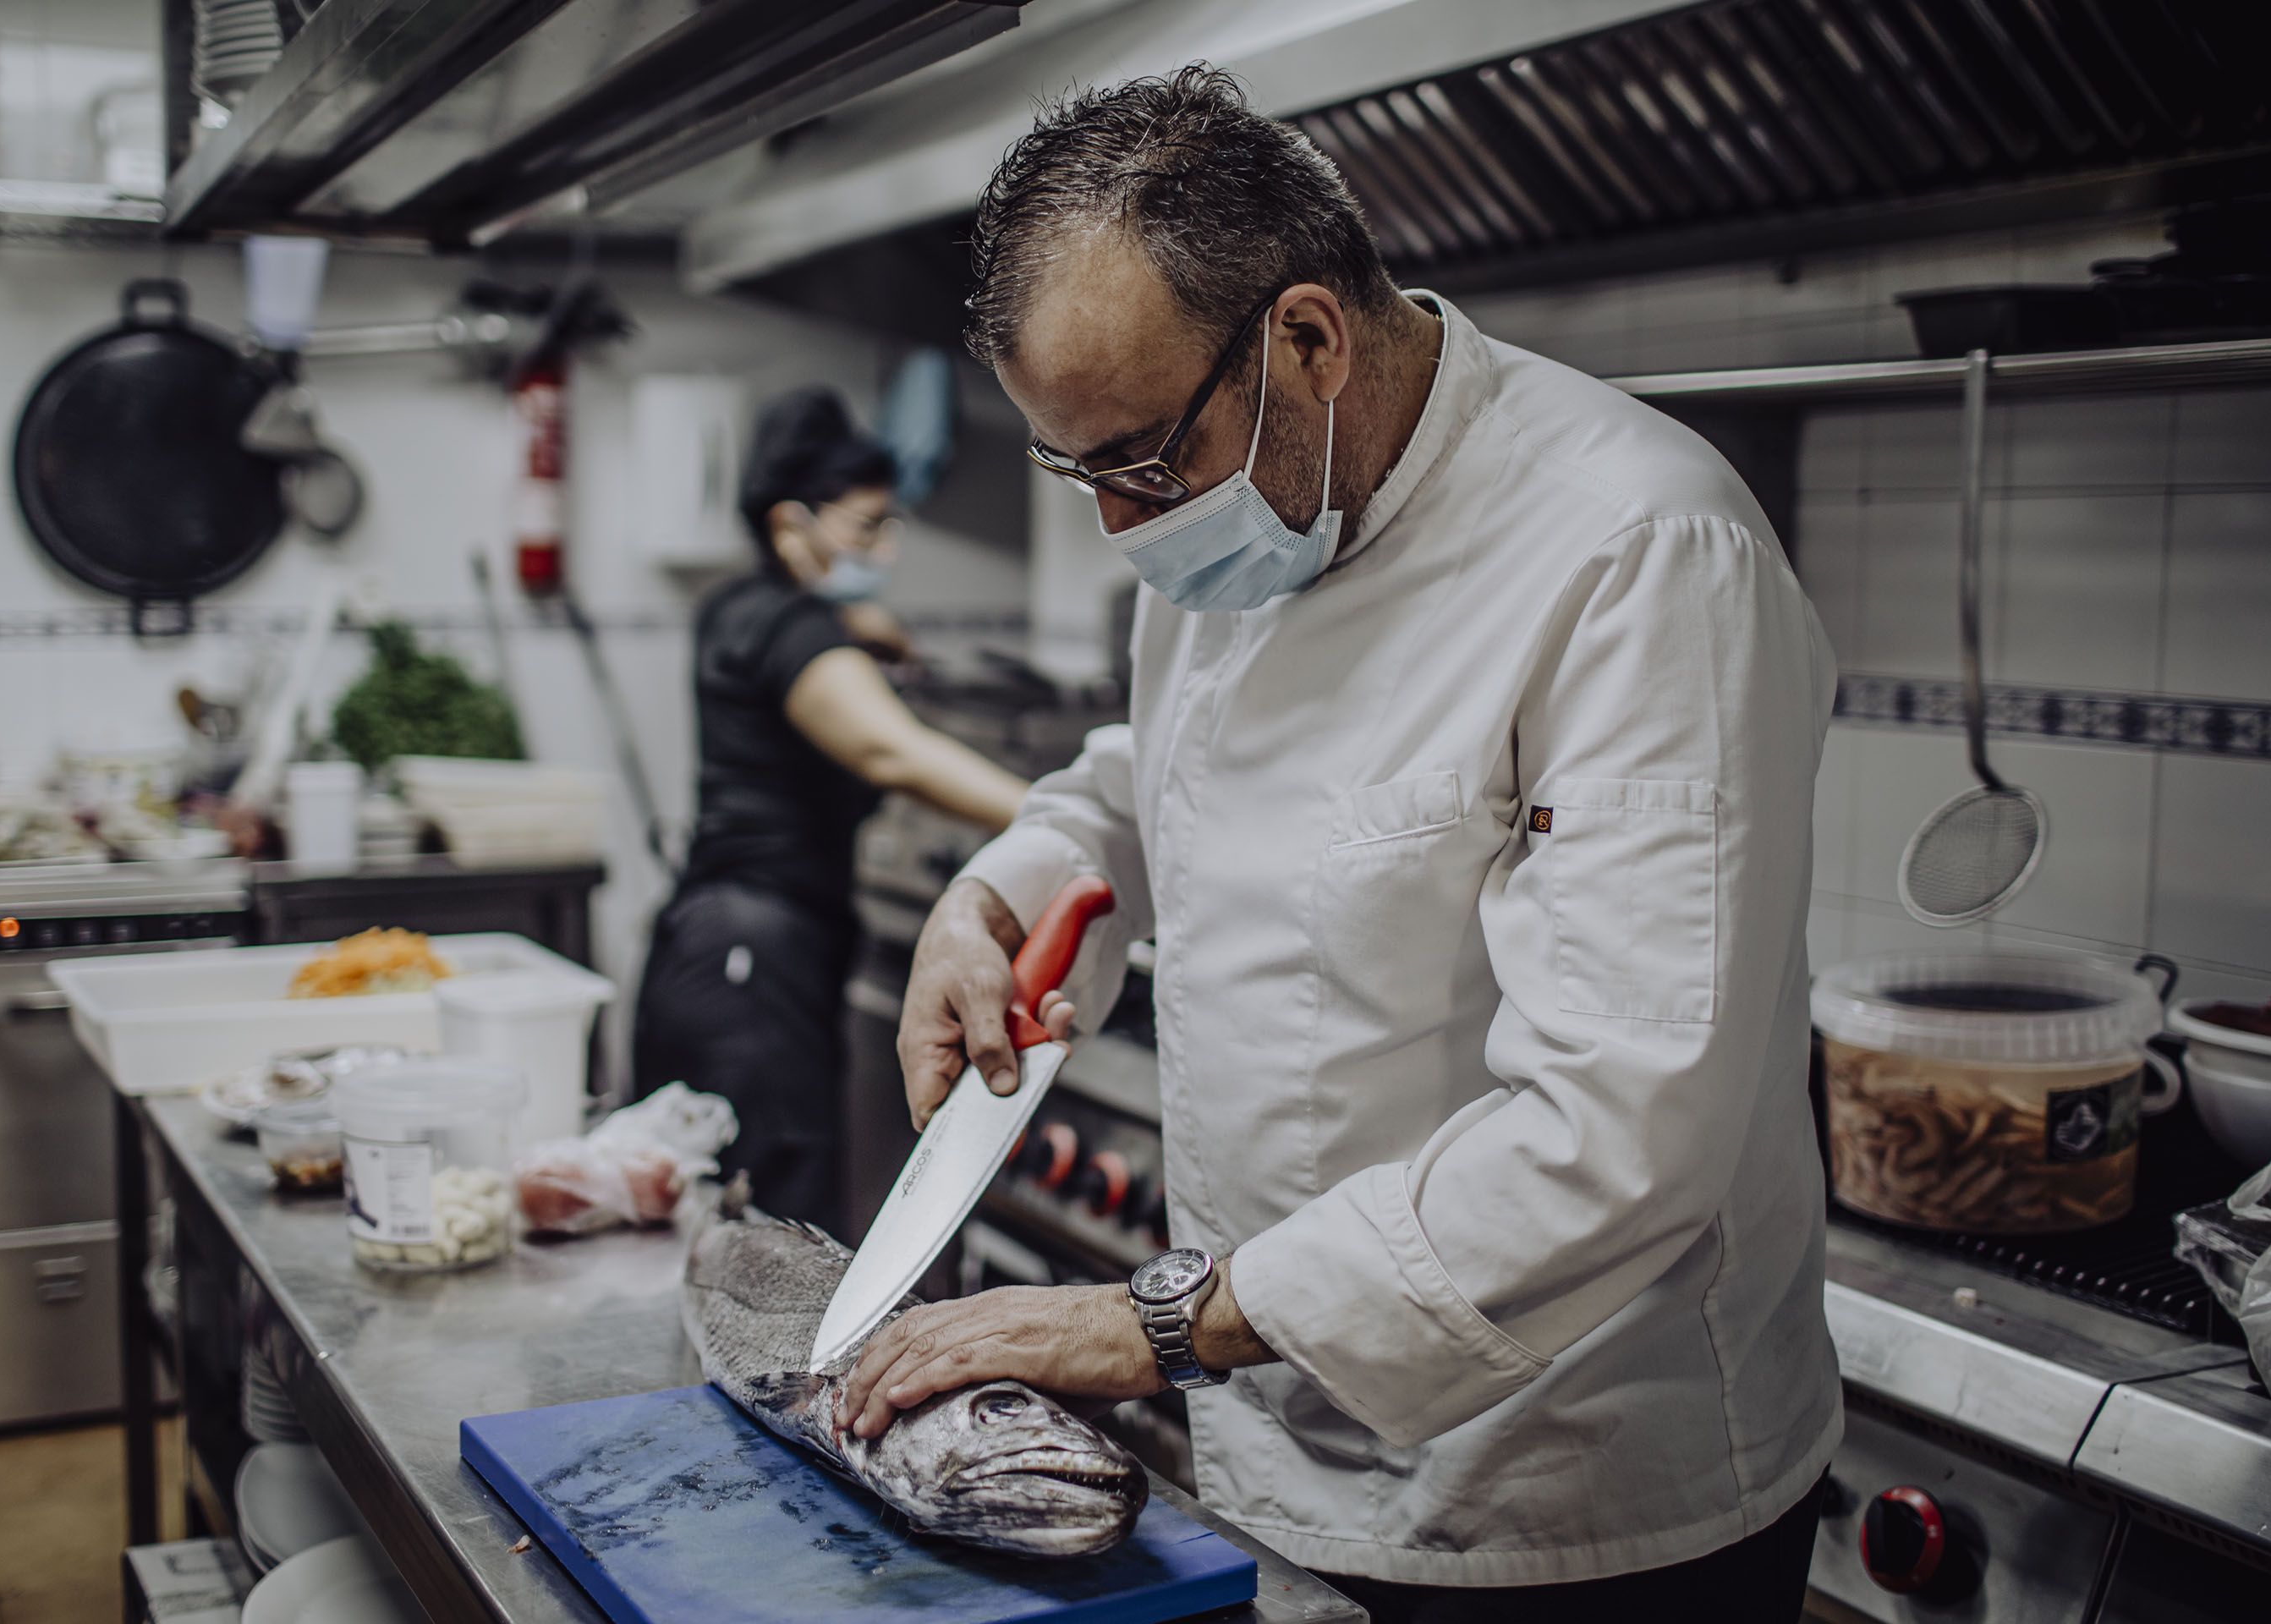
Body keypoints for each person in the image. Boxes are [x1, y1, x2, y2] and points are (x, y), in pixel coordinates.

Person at [840, 69, 1840, 1621]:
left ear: (1307, 338)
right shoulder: (1248, 517)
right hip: (1277, 1436)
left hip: (1572, 1502)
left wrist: (1153, 1330)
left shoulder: (1641, 552)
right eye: (1079, 469)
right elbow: (1150, 783)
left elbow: (1621, 1127)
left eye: (1141, 461)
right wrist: (1006, 887)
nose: (1123, 527)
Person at [633, 388, 1027, 1233]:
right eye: (864, 528)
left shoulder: (736, 610)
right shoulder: (791, 626)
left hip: (705, 951)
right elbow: (892, 751)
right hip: (755, 971)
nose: (882, 549)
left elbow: (822, 642)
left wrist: (859, 628)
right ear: (790, 523)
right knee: (770, 1239)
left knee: (699, 1228)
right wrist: (1058, 815)